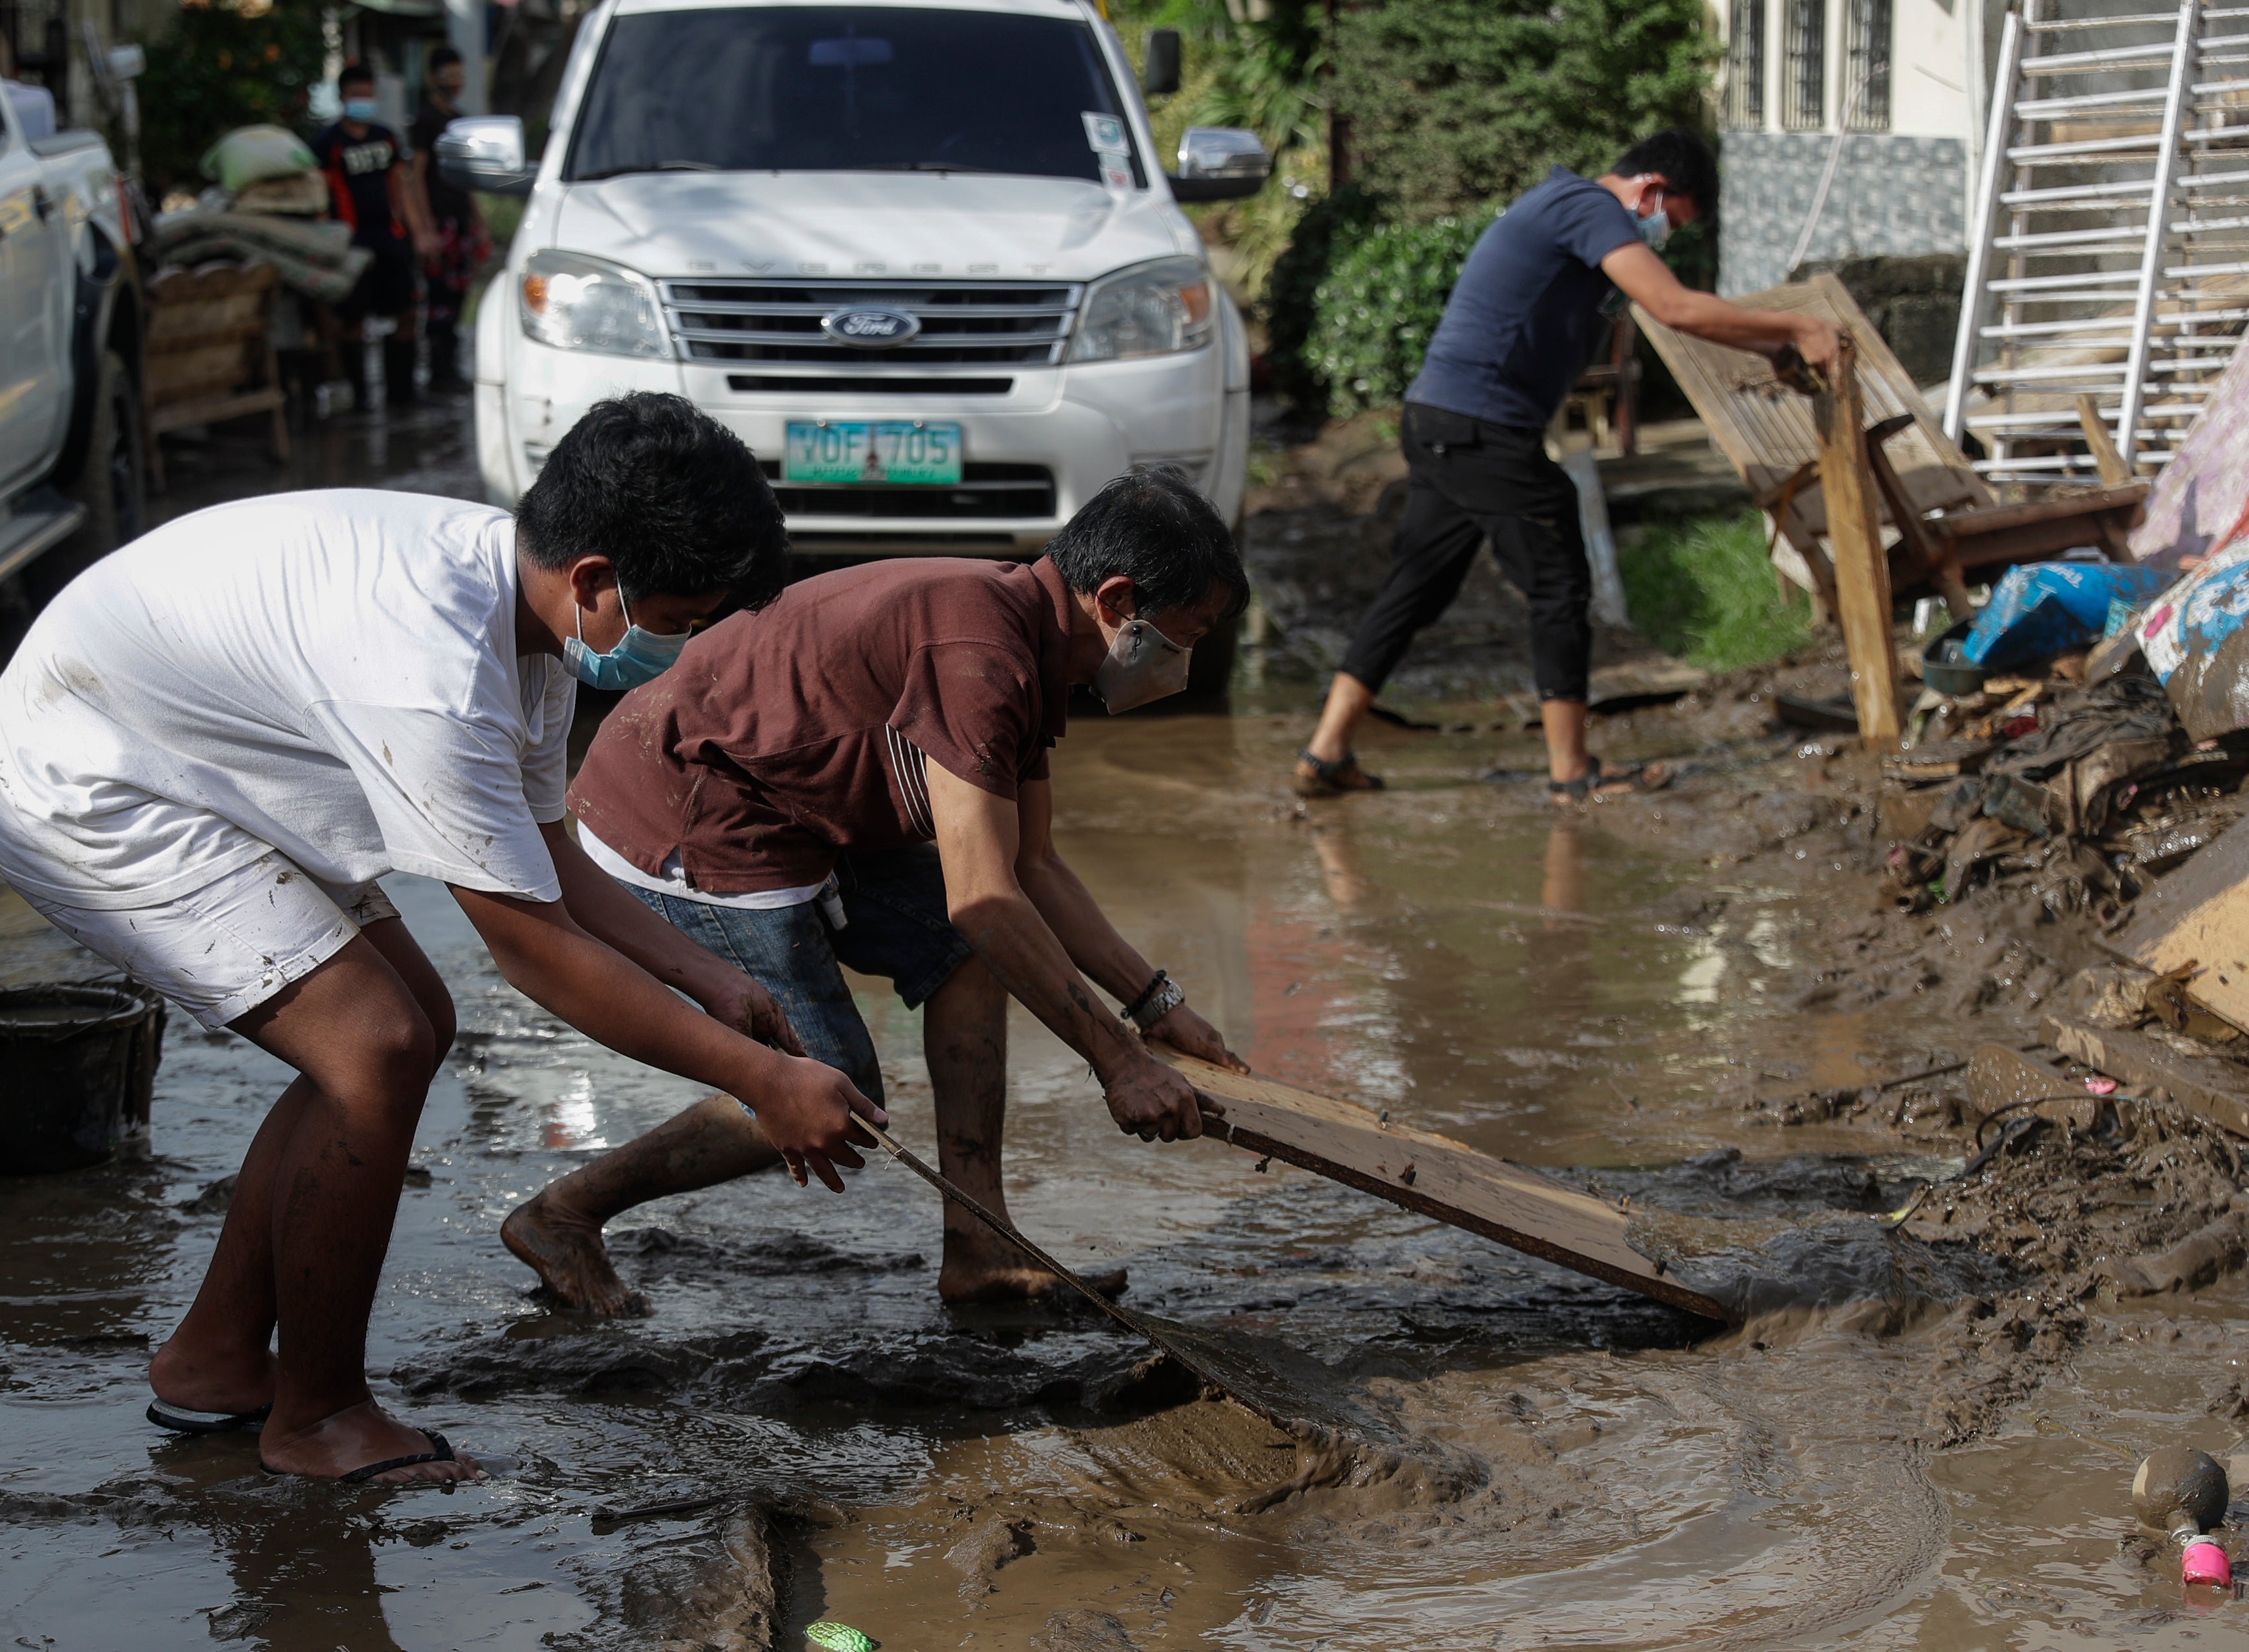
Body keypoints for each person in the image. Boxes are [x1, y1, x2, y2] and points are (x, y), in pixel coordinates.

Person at [0, 395, 879, 1483]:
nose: (676, 649)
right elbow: (530, 945)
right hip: (87, 775)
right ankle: (316, 1418)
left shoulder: (524, 630)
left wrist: (706, 975)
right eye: (677, 621)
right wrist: (759, 1079)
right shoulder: (435, 668)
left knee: (406, 1026)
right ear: (595, 580)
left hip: (183, 746)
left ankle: (215, 1357)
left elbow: (555, 868)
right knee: (374, 1044)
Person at [502, 468, 1252, 1315]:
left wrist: (1154, 1005)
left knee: (961, 951)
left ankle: (981, 1241)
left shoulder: (1024, 639)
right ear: (1117, 601)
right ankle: (563, 1212)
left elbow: (1032, 866)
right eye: (1181, 636)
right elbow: (986, 895)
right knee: (830, 1083)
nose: (1181, 663)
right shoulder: (982, 652)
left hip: (794, 809)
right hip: (686, 812)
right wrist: (1118, 1060)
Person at [1291, 128, 1845, 804]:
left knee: (1420, 586)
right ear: (1651, 189)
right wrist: (1799, 327)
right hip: (1481, 427)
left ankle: (1325, 751)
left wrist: (1769, 350)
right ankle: (1571, 770)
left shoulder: (1568, 210)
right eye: (1671, 220)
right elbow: (1674, 308)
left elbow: (1679, 316)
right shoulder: (1588, 208)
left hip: (1442, 418)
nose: (1662, 235)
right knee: (1558, 579)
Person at [313, 63, 440, 406]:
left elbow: (404, 190)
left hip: (390, 238)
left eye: (368, 95)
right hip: (350, 245)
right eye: (357, 95)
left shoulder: (385, 138)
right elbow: (322, 200)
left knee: (407, 314)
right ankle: (361, 400)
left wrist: (421, 235)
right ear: (342, 97)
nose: (363, 101)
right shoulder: (328, 144)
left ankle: (403, 396)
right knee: (353, 322)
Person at [407, 45, 491, 395]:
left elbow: (465, 177)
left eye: (458, 76)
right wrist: (425, 228)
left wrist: (477, 219)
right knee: (440, 298)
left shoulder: (457, 120)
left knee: (457, 298)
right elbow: (415, 176)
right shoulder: (425, 121)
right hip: (440, 223)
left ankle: (448, 369)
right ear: (433, 78)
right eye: (448, 76)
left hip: (459, 223)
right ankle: (438, 371)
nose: (454, 82)